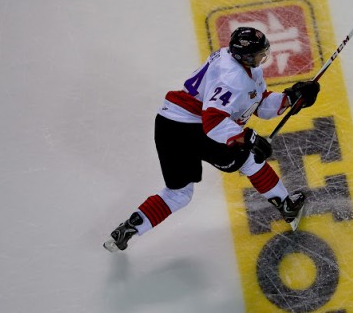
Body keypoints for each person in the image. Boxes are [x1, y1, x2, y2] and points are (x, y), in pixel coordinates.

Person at [104, 27, 320, 252]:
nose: (262, 57)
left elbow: (257, 102)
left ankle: (130, 227)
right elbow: (214, 122)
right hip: (192, 128)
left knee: (178, 194)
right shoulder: (233, 77)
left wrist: (290, 98)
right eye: (258, 54)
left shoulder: (236, 62)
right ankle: (287, 206)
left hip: (168, 124)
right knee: (249, 159)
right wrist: (249, 138)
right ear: (244, 56)